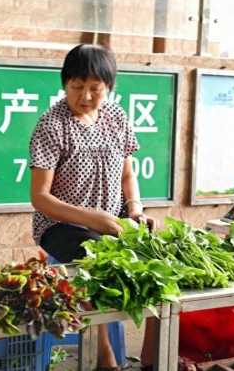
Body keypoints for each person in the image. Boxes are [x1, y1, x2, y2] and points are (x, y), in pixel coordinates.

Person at [29, 43, 155, 371]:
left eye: (94, 89)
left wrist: (136, 210)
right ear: (64, 84)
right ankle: (105, 359)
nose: (85, 96)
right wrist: (94, 220)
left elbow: (128, 173)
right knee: (97, 260)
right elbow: (40, 198)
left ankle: (152, 357)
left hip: (112, 218)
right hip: (62, 225)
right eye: (76, 87)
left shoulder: (116, 117)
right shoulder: (51, 125)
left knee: (158, 256)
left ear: (109, 88)